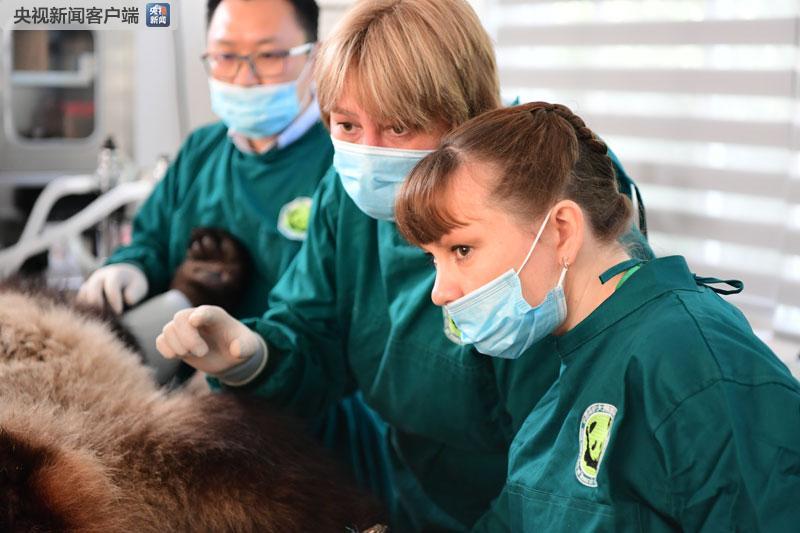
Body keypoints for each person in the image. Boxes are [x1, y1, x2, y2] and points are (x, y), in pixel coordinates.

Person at [154, 0, 650, 529]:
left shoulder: (541, 193)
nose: (369, 154)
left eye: (398, 128)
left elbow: (579, 437)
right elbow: (312, 331)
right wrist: (254, 358)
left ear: (465, 113)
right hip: (418, 496)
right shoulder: (348, 202)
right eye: (346, 124)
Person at [394, 101, 800, 531]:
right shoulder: (569, 369)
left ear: (562, 230)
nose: (441, 292)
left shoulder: (690, 356)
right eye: (432, 259)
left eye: (462, 250)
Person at [78, 0, 332, 320]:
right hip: (186, 361)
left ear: (316, 57)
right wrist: (130, 267)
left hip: (294, 365)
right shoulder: (202, 149)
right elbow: (151, 241)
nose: (244, 77)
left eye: (269, 56)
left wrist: (253, 358)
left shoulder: (341, 160)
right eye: (225, 56)